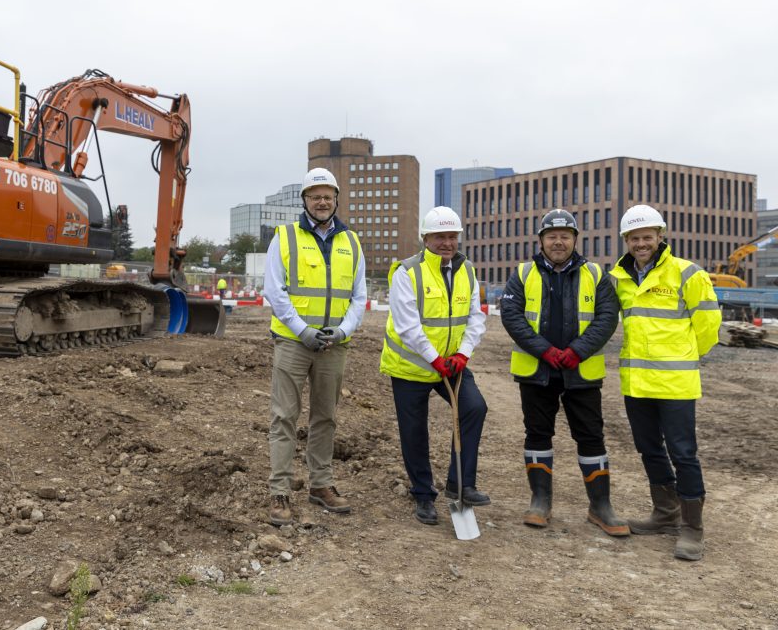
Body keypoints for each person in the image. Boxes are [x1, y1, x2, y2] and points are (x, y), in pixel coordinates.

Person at [500, 209, 628, 536]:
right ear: (541, 240)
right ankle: (540, 501)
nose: (559, 242)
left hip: (580, 373)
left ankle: (600, 506)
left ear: (574, 240)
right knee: (538, 434)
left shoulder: (596, 275)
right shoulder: (523, 273)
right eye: (552, 236)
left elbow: (606, 318)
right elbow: (512, 315)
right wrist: (544, 349)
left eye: (565, 236)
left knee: (590, 436)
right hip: (537, 371)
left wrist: (577, 351)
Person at [609, 204, 721, 561]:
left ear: (660, 236)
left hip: (675, 382)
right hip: (637, 382)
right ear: (626, 241)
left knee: (683, 453)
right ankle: (665, 513)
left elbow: (707, 328)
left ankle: (692, 527)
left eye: (647, 237)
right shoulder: (620, 278)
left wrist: (685, 356)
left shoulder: (688, 273)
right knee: (649, 449)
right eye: (635, 238)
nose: (641, 243)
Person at [263, 167, 366, 526]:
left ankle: (321, 485)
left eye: (327, 196)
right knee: (284, 416)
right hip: (294, 342)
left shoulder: (351, 242)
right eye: (314, 196)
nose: (322, 202)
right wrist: (302, 329)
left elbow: (359, 296)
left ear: (336, 199)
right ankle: (280, 491)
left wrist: (343, 330)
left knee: (325, 417)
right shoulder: (285, 237)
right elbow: (274, 291)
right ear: (304, 200)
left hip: (334, 345)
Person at [380, 206, 489, 526]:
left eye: (452, 237)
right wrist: (434, 359)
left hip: (451, 364)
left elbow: (476, 317)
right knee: (415, 431)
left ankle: (461, 484)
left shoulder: (466, 270)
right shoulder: (407, 272)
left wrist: (463, 354)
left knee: (474, 408)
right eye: (440, 236)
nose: (447, 243)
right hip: (411, 365)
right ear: (425, 238)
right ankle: (423, 495)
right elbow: (407, 325)